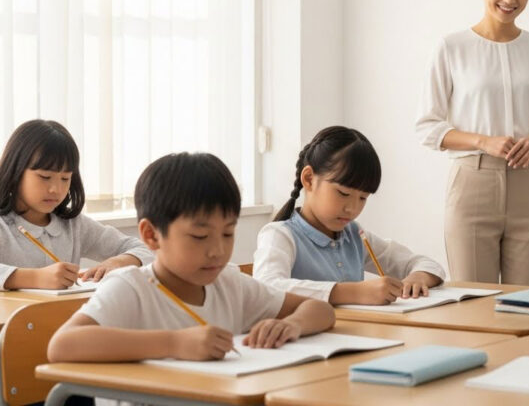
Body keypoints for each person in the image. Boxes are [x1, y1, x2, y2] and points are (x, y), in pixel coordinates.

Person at [47, 152, 335, 362]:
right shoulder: (130, 287)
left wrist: (292, 325)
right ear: (151, 235)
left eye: (227, 233)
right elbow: (62, 345)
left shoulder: (230, 285)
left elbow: (320, 309)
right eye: (199, 236)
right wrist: (173, 343)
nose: (217, 250)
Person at [415, 0, 529, 285]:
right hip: (473, 183)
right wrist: (484, 142)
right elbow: (428, 126)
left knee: (527, 300)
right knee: (472, 299)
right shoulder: (452, 47)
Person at [254, 126, 445, 305]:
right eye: (343, 193)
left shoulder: (354, 236)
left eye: (363, 198)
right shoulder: (280, 235)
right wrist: (354, 292)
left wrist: (417, 277)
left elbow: (426, 264)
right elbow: (267, 288)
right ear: (309, 179)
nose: (352, 209)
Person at [1, 119, 152, 290]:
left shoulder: (73, 225)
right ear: (15, 170)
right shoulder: (3, 226)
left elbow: (147, 249)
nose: (56, 189)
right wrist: (34, 278)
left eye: (65, 178)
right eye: (45, 177)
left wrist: (120, 261)